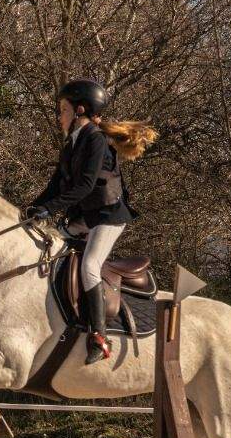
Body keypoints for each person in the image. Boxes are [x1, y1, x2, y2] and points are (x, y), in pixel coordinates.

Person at [23, 79, 157, 364]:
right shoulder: (72, 141)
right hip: (87, 217)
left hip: (108, 217)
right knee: (50, 248)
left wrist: (49, 210)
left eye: (63, 109)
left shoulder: (94, 138)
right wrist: (34, 207)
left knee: (90, 267)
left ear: (80, 110)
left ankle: (100, 336)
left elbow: (83, 186)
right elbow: (57, 183)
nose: (59, 115)